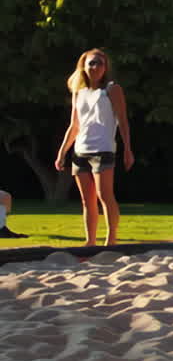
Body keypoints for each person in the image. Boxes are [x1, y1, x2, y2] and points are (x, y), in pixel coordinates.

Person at [54, 49, 134, 247]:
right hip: (81, 150)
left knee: (104, 195)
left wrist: (127, 149)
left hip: (104, 148)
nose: (95, 67)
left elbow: (123, 121)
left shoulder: (112, 89)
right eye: (91, 63)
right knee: (86, 200)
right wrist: (62, 152)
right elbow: (74, 125)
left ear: (106, 67)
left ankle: (111, 239)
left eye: (100, 63)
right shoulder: (79, 92)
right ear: (84, 66)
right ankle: (90, 241)